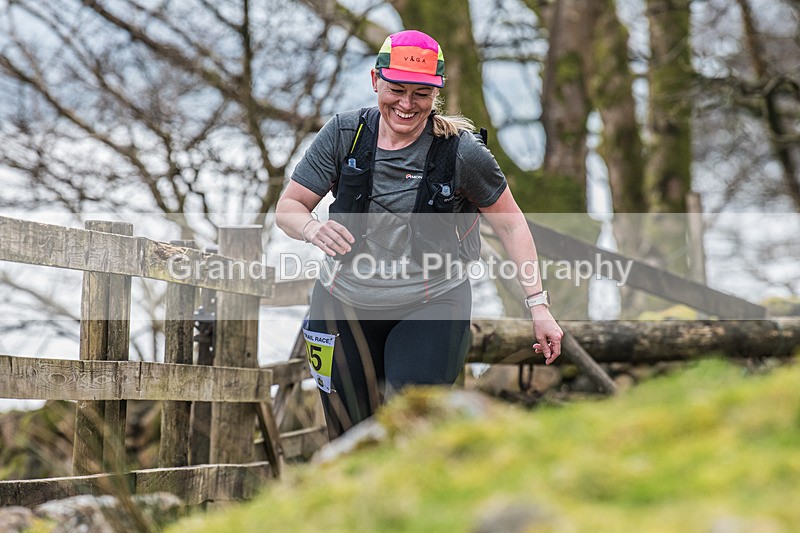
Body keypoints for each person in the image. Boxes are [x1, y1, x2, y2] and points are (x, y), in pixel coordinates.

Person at [276, 29, 562, 439]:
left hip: (431, 305)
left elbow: (512, 223)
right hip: (342, 304)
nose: (407, 105)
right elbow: (288, 208)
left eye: (422, 94)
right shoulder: (344, 135)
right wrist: (312, 228)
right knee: (347, 435)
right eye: (396, 89)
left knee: (412, 430)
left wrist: (538, 305)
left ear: (436, 93)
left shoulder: (461, 152)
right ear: (376, 80)